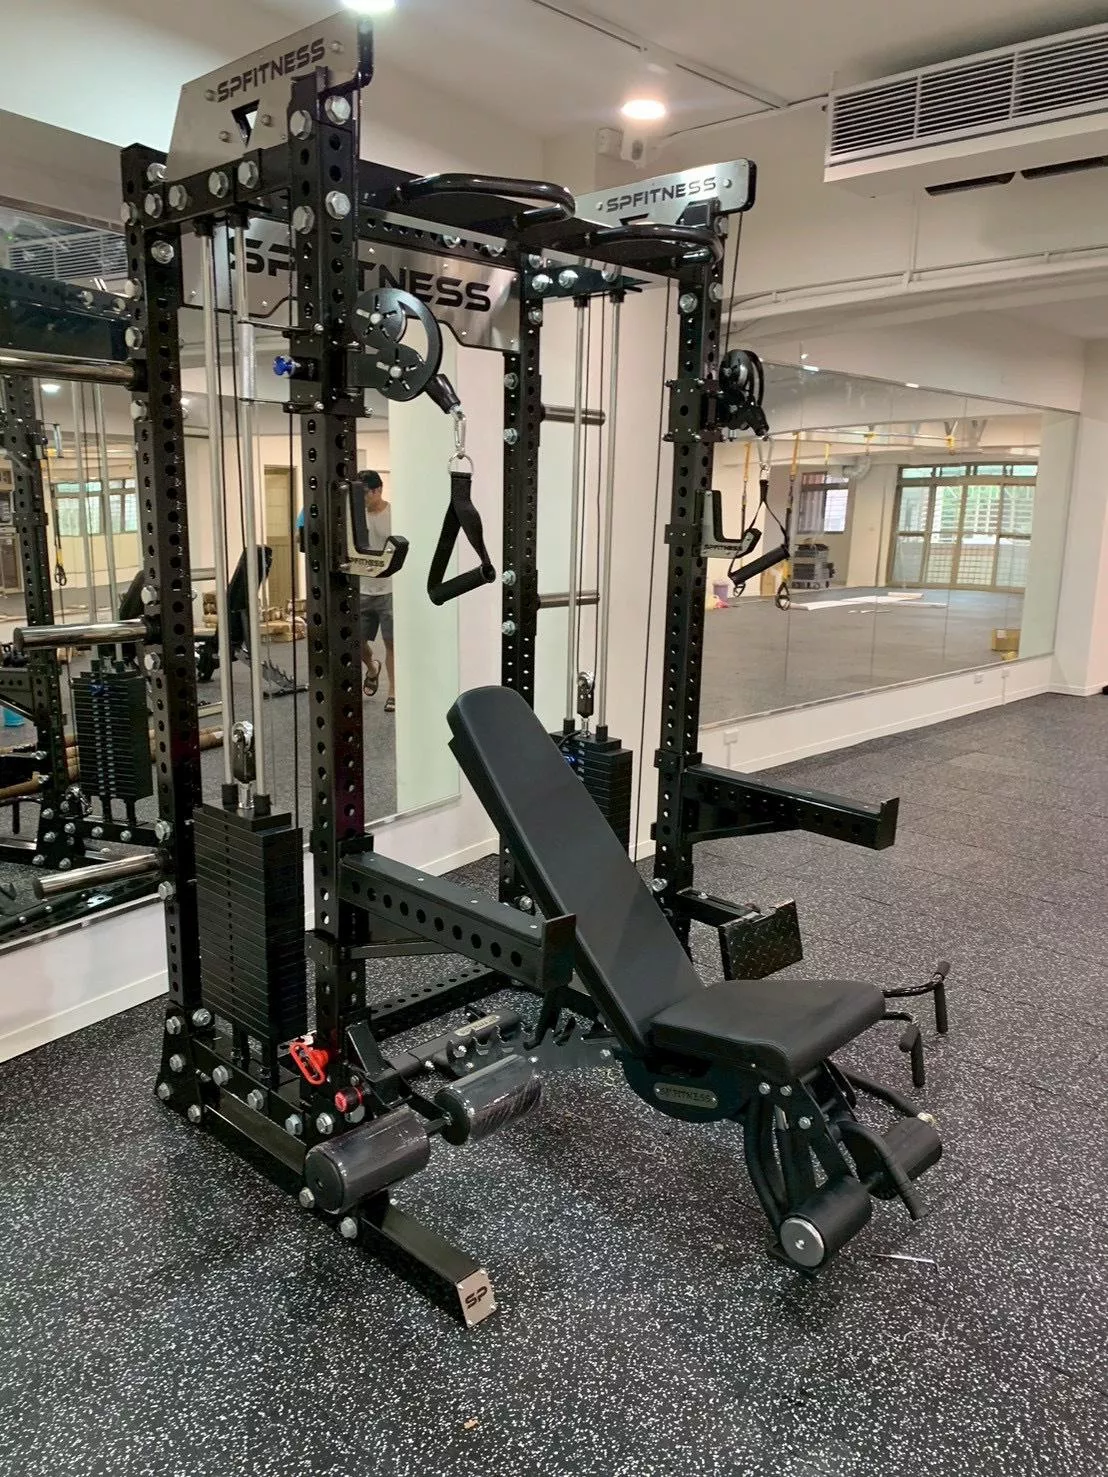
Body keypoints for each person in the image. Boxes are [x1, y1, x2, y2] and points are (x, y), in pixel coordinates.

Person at [357, 470, 396, 713]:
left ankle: (393, 693)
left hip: (389, 589)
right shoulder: (356, 516)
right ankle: (372, 668)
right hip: (362, 588)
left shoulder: (394, 515)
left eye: (365, 494)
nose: (361, 499)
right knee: (356, 642)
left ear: (378, 490)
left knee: (391, 643)